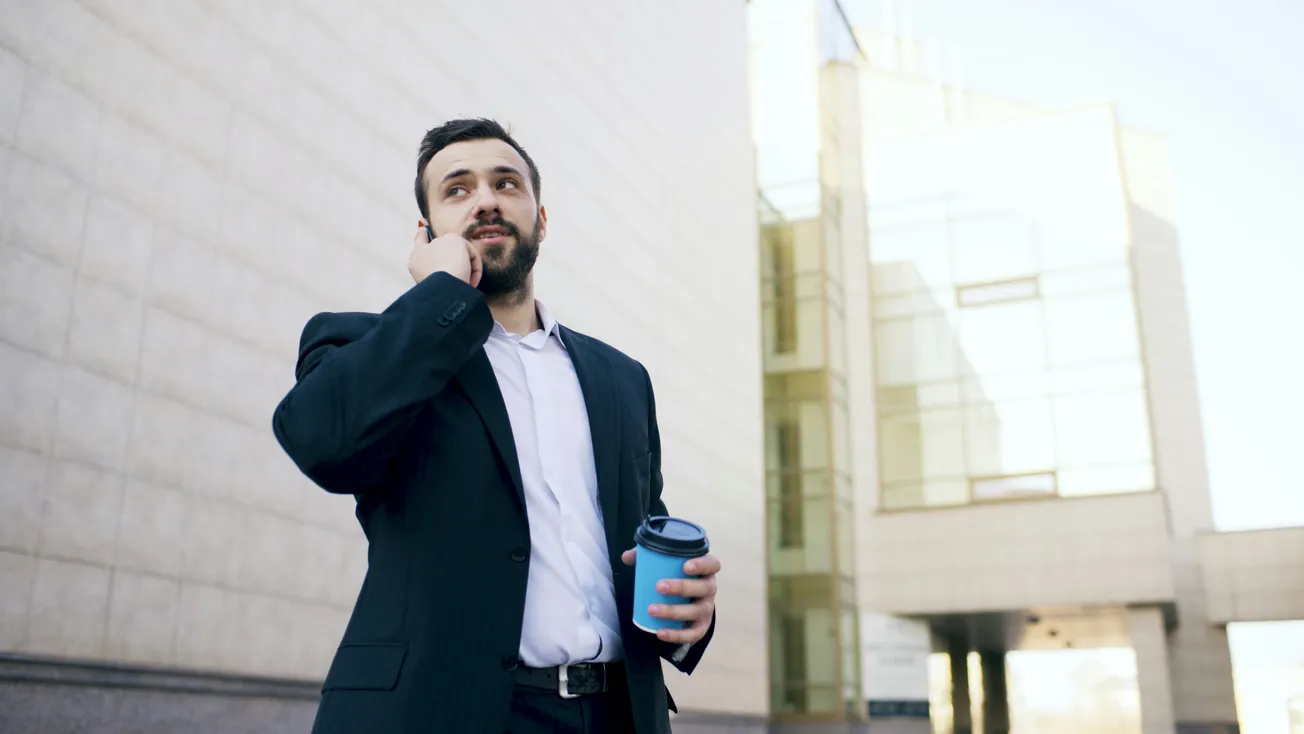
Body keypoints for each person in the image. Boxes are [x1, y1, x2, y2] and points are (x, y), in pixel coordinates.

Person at [271, 118, 721, 734]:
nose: (485, 199)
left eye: (506, 183)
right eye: (457, 189)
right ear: (427, 233)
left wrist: (686, 615)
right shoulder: (369, 345)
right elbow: (323, 442)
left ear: (541, 220)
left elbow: (639, 535)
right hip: (444, 713)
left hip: (617, 713)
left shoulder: (622, 378)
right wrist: (439, 294)